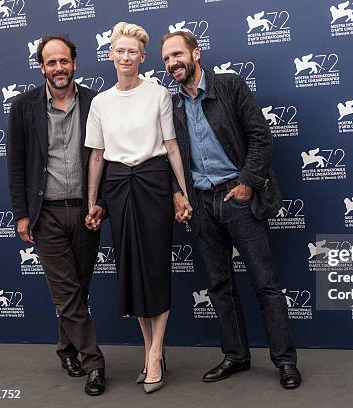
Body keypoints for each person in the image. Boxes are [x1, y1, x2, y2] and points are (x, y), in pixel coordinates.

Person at [161, 31, 302, 389]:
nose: (172, 63)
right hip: (202, 205)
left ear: (196, 53)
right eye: (165, 59)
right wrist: (179, 192)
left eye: (177, 54)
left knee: (265, 284)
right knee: (220, 286)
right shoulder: (171, 104)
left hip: (238, 199)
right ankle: (236, 356)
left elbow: (260, 136)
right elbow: (170, 156)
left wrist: (247, 183)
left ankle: (285, 360)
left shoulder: (229, 86)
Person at [85, 22, 189, 394]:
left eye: (133, 52)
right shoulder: (100, 102)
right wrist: (93, 201)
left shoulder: (158, 94)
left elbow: (172, 146)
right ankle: (150, 352)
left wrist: (182, 190)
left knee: (156, 269)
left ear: (143, 57)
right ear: (110, 54)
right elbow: (97, 157)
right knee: (132, 272)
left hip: (153, 183)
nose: (126, 57)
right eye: (120, 50)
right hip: (117, 187)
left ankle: (156, 352)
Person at [6, 35, 106, 396]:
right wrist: (21, 214)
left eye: (64, 61)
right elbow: (16, 164)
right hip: (44, 213)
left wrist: (101, 204)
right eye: (51, 63)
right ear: (42, 67)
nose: (58, 68)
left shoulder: (97, 101)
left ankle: (67, 349)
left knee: (78, 288)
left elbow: (106, 159)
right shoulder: (23, 106)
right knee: (66, 292)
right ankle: (94, 362)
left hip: (86, 211)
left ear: (75, 62)